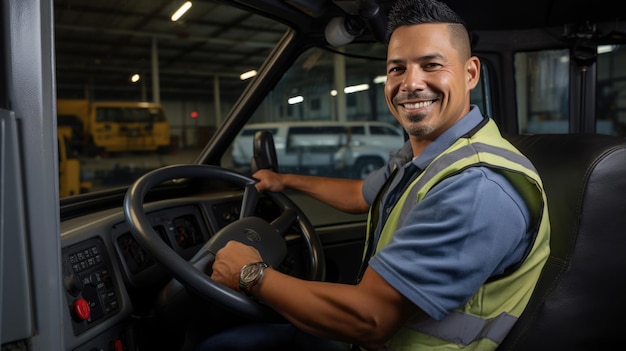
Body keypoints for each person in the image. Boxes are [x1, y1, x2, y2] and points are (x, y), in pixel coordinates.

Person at [200, 0, 551, 350]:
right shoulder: (432, 154)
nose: (411, 84)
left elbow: (370, 319)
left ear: (470, 72)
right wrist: (286, 181)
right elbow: (360, 195)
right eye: (397, 69)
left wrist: (251, 275)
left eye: (431, 65)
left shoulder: (477, 187)